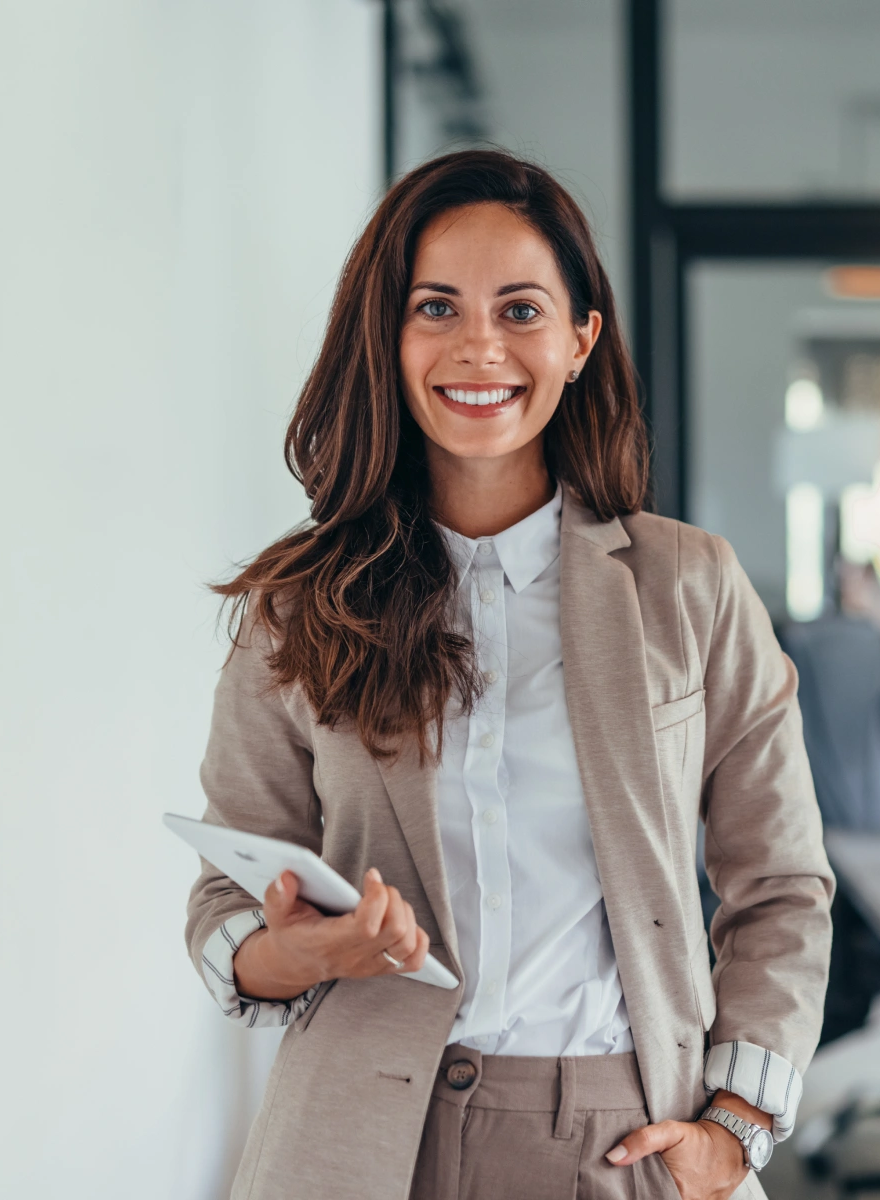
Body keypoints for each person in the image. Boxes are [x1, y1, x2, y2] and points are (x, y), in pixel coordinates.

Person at [184, 149, 833, 1200]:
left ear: (580, 340)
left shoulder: (688, 587)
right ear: (388, 338)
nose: (478, 346)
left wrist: (738, 1125)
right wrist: (311, 952)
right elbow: (227, 899)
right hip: (358, 1143)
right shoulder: (299, 607)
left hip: (624, 1138)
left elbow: (783, 883)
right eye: (435, 307)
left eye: (520, 309)